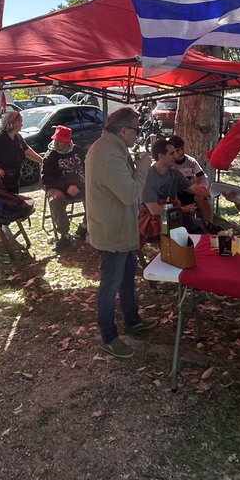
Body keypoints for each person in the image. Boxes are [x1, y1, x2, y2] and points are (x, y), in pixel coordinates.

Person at [84, 107, 156, 359]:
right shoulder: (108, 154)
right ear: (124, 130)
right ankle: (108, 337)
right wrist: (144, 167)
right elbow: (129, 194)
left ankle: (132, 321)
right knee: (110, 285)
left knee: (127, 279)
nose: (138, 135)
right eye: (136, 130)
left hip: (120, 229)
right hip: (112, 231)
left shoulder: (113, 148)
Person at [41, 125, 86, 252]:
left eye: (60, 140)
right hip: (58, 187)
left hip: (79, 185)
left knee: (96, 194)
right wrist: (65, 187)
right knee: (55, 200)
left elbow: (86, 167)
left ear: (67, 141)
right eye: (56, 140)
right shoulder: (51, 156)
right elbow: (46, 179)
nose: (57, 143)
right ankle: (64, 234)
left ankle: (85, 226)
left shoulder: (77, 150)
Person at [0, 109, 43, 192]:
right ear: (13, 122)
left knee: (13, 203)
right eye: (20, 121)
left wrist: (41, 160)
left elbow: (26, 151)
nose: (22, 124)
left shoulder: (17, 137)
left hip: (11, 180)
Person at [142, 138, 195, 222]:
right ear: (161, 156)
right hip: (152, 221)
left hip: (172, 216)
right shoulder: (147, 177)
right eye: (172, 153)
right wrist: (182, 209)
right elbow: (155, 211)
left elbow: (195, 189)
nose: (176, 155)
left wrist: (213, 192)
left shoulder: (175, 174)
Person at [165, 135, 213, 226]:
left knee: (206, 204)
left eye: (182, 148)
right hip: (175, 194)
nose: (181, 152)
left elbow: (203, 177)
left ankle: (208, 227)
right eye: (177, 150)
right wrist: (175, 198)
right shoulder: (169, 163)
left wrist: (200, 192)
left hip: (190, 191)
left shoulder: (191, 161)